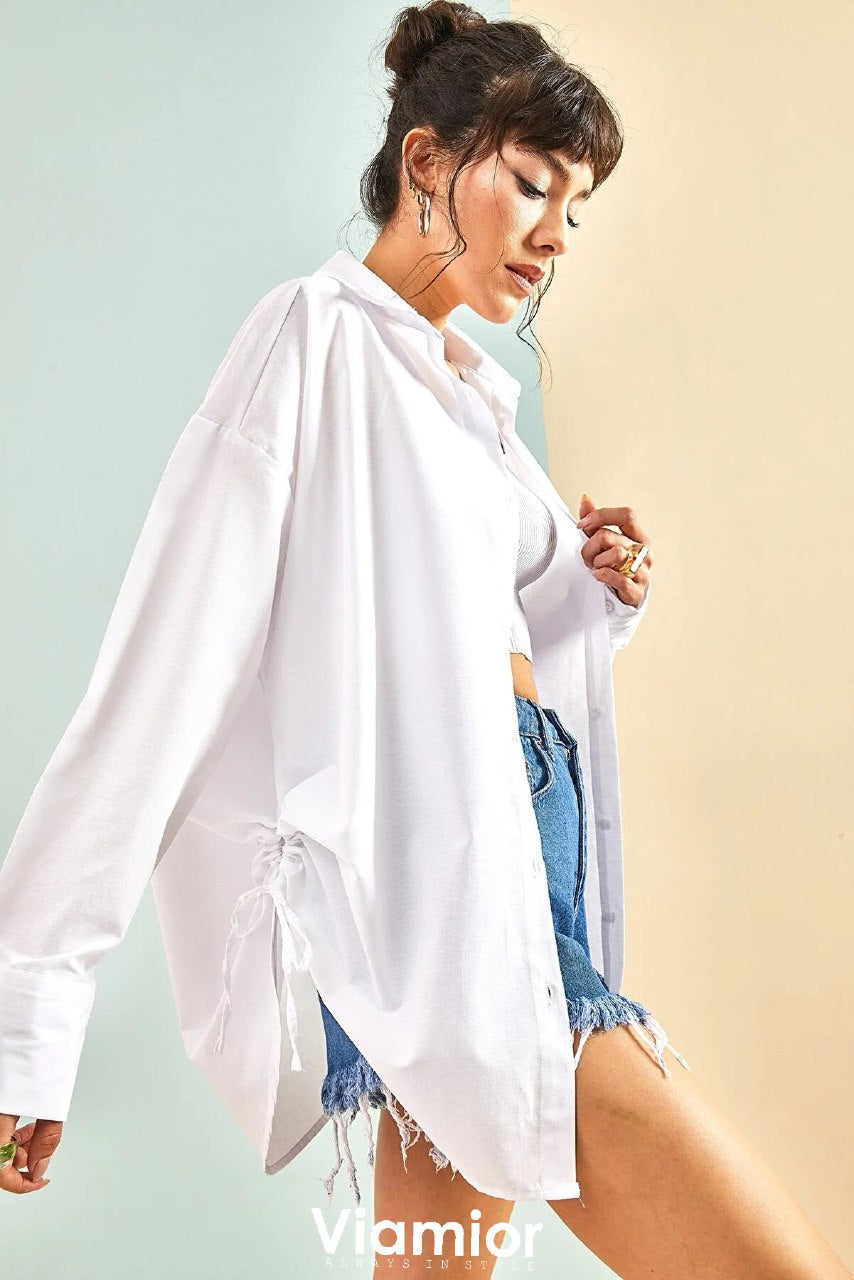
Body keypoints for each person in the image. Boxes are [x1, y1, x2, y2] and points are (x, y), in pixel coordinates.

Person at [1, 3, 851, 1277]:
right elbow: (156, 678)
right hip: (441, 903)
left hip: (505, 877)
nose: (554, 235)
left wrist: (591, 586)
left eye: (575, 209)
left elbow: (467, 632)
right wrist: (30, 1014)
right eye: (533, 183)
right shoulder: (312, 339)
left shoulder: (466, 394)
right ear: (425, 161)